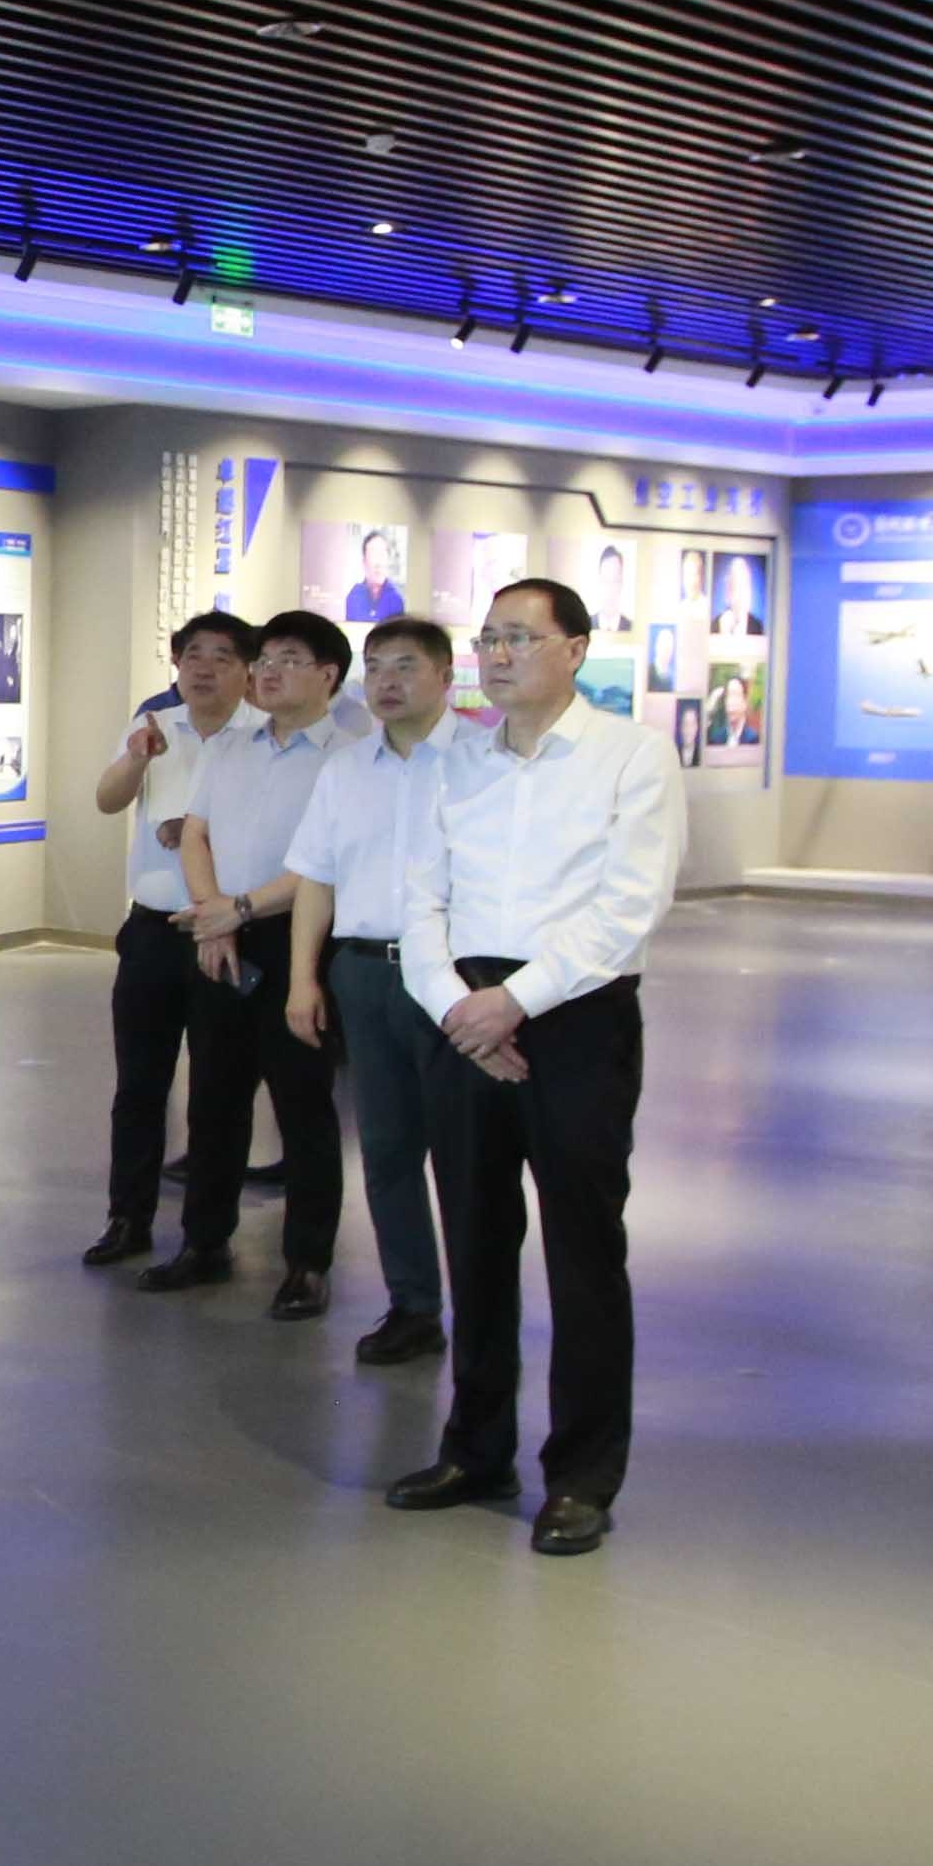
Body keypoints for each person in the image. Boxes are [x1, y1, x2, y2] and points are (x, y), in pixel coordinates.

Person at [384, 577, 680, 1552]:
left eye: (521, 637)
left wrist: (515, 1002)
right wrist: (456, 1007)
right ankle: (476, 1448)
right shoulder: (456, 760)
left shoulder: (630, 755)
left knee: (583, 1252)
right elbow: (420, 899)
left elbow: (629, 905)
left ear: (576, 649)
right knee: (474, 1240)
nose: (499, 655)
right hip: (462, 1016)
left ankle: (583, 1475)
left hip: (576, 1017)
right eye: (489, 638)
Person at [280, 614, 471, 1366]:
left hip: (453, 977)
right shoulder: (345, 770)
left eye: (405, 666)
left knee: (465, 1155)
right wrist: (303, 978)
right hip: (362, 971)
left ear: (446, 676)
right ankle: (413, 1304)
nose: (387, 682)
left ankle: (481, 1310)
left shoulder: (483, 763)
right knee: (387, 1149)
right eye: (376, 666)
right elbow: (315, 879)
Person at [162, 610, 351, 1313]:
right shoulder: (231, 748)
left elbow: (326, 864)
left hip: (299, 940)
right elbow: (195, 834)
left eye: (288, 660)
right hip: (221, 935)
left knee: (303, 1106)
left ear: (328, 675)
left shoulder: (348, 757)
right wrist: (212, 915)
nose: (268, 672)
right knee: (213, 1097)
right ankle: (204, 1242)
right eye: (265, 659)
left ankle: (307, 1262)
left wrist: (238, 910)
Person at [81, 611, 250, 1265]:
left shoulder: (262, 736)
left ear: (247, 670)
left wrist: (199, 831)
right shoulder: (155, 725)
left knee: (218, 1092)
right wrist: (135, 757)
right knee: (139, 1087)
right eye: (193, 655)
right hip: (152, 931)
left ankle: (207, 1237)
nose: (204, 668)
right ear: (176, 663)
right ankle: (127, 1218)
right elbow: (107, 800)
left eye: (222, 656)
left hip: (226, 932)